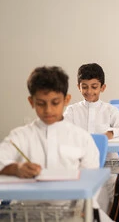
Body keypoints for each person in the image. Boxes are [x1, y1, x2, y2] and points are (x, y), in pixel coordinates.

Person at [0, 66, 112, 221]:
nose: (48, 110)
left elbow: (92, 182)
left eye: (55, 102)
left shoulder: (81, 138)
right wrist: (16, 168)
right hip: (27, 213)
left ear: (66, 100)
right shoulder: (20, 136)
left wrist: (84, 209)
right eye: (41, 103)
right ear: (31, 102)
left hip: (73, 213)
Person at [64, 63, 119, 213]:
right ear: (78, 87)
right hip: (79, 164)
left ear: (102, 87)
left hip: (108, 164)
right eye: (85, 87)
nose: (89, 91)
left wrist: (110, 134)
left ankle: (113, 215)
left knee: (113, 188)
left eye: (94, 87)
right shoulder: (72, 111)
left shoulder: (110, 110)